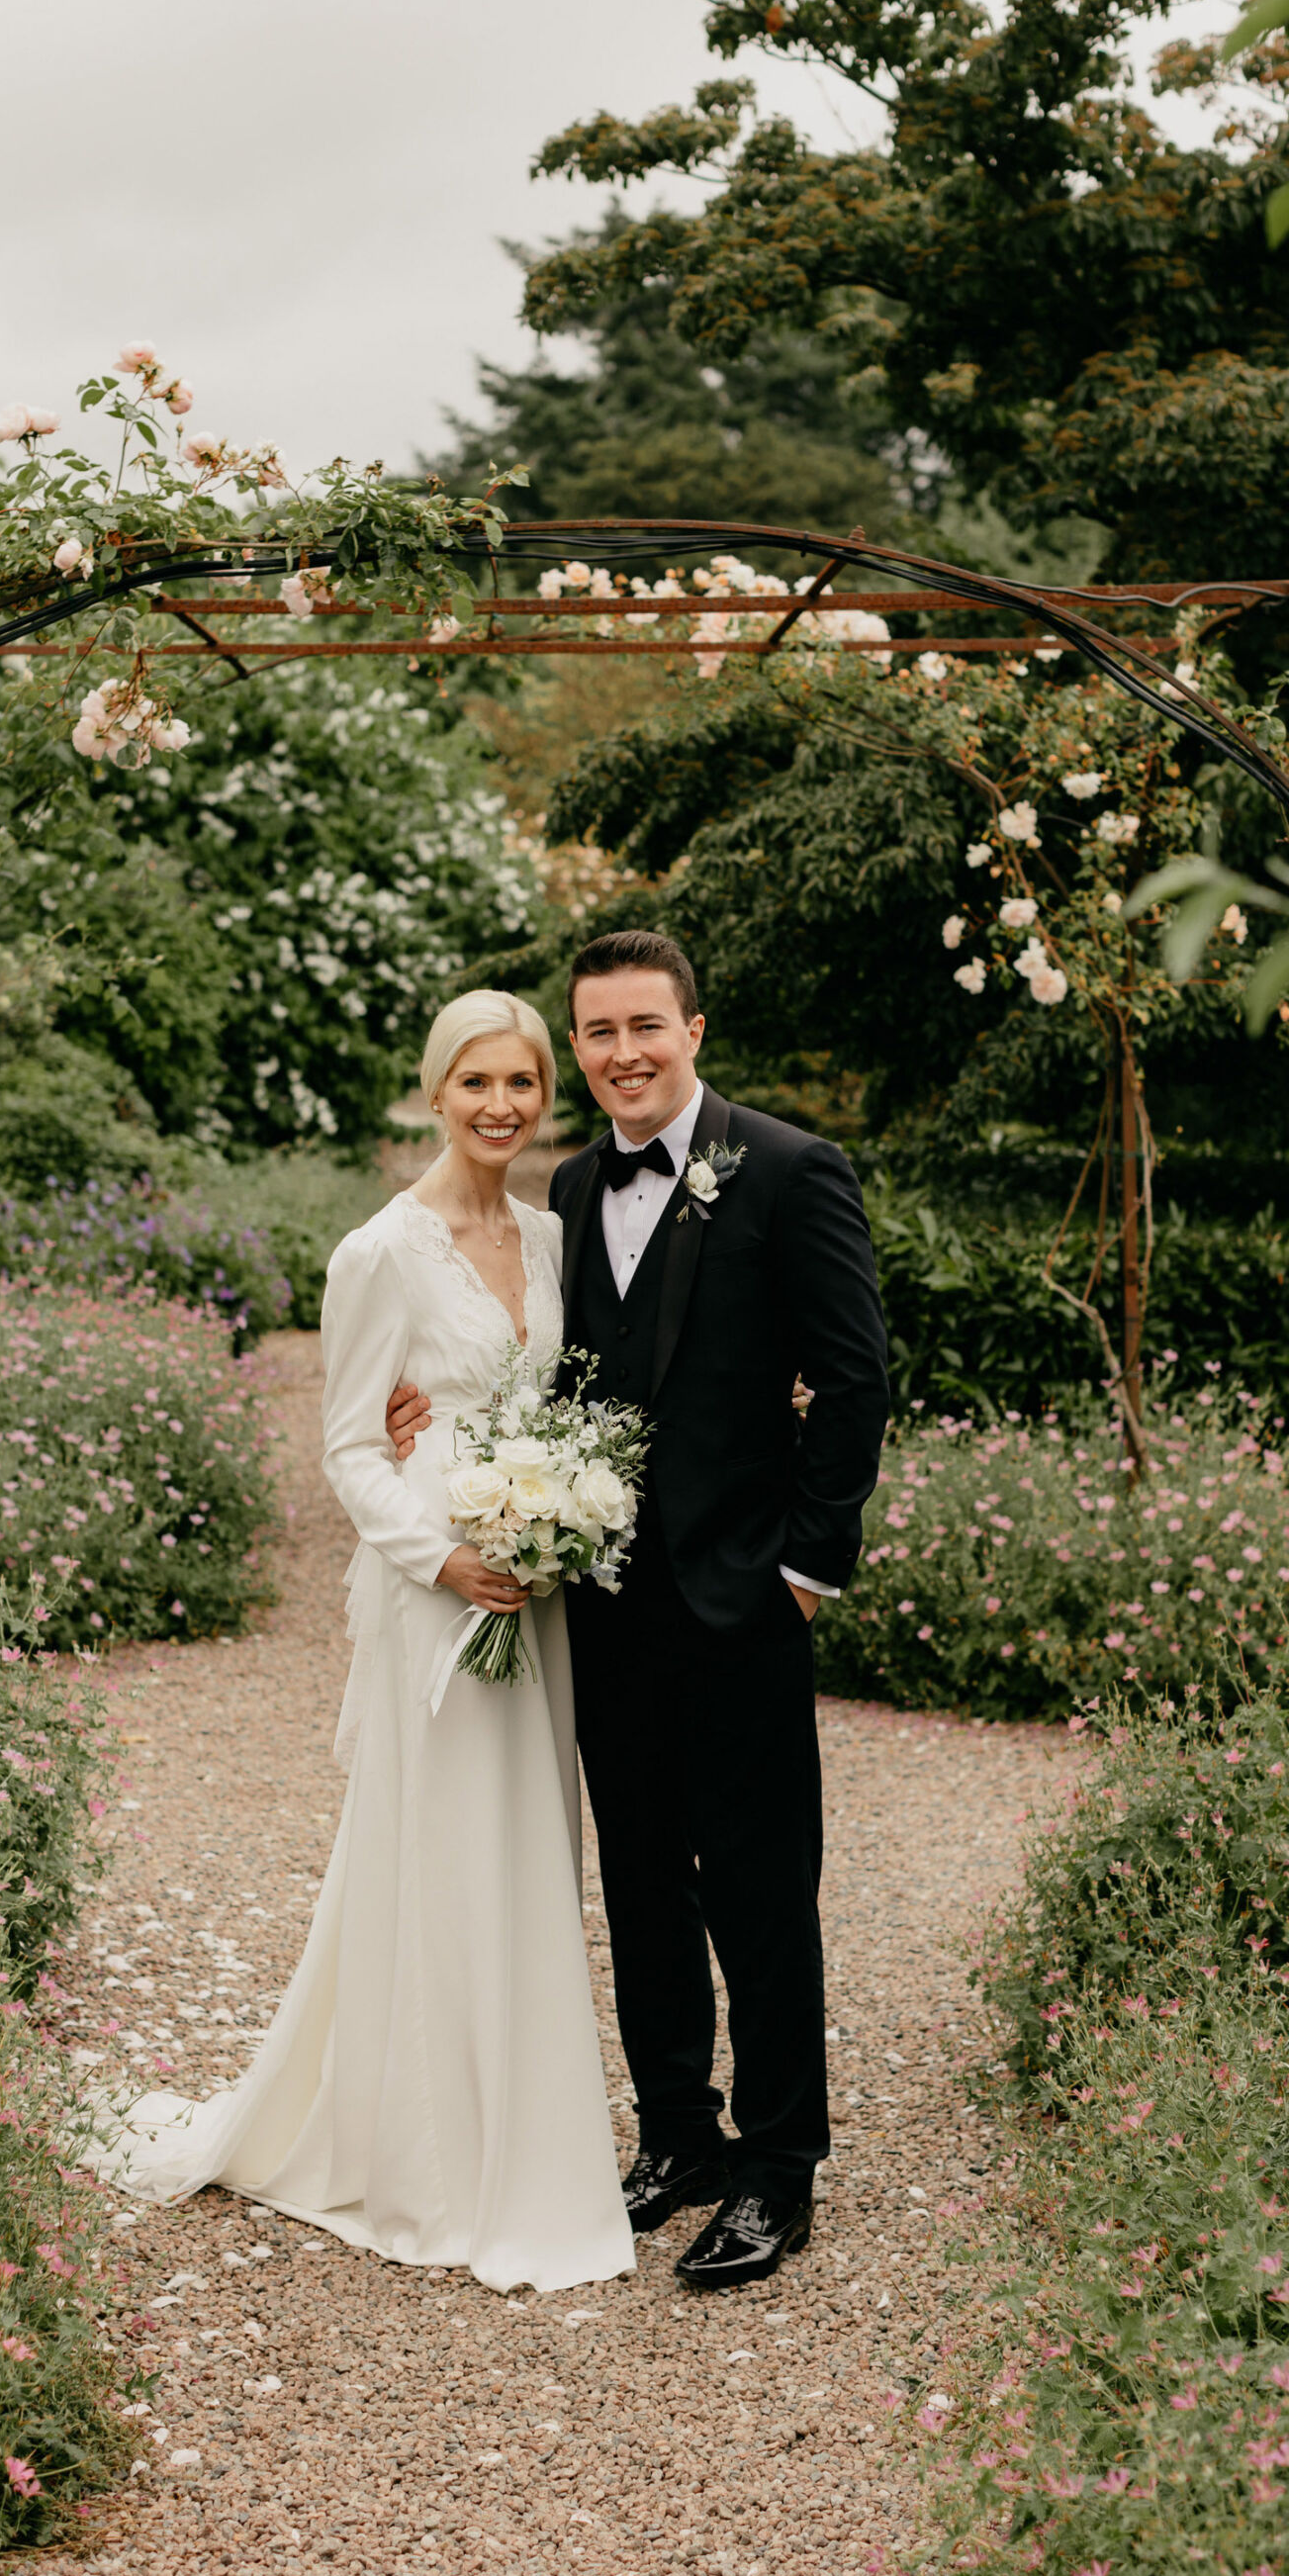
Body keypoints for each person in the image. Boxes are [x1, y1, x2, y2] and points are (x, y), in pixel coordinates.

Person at [89, 989, 634, 2298]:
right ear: (433, 1090)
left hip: (538, 1583)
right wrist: (446, 1556)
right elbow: (346, 1445)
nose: (501, 1107)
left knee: (528, 1848)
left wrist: (558, 1517)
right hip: (437, 1589)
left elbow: (565, 1400)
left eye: (521, 1083)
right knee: (439, 1849)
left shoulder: (557, 1239)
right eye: (475, 1084)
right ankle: (434, 2160)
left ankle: (536, 2139)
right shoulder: (378, 1251)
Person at [389, 930, 891, 2288]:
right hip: (601, 1611)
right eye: (597, 1034)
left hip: (742, 1605)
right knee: (642, 1886)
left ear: (693, 1030)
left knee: (762, 1894)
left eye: (642, 1029)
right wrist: (436, 1426)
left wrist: (805, 1568)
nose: (620, 1055)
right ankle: (680, 2135)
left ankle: (780, 2170)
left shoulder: (788, 1171)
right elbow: (550, 1375)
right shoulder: (565, 1184)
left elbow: (856, 1381)